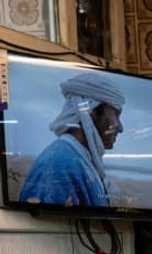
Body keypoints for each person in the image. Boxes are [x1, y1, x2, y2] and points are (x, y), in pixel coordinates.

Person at [19, 72, 126, 208]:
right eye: (116, 115)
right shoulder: (59, 163)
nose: (120, 127)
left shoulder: (80, 159)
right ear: (92, 112)